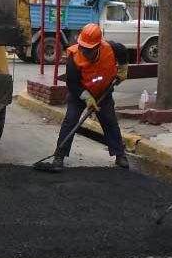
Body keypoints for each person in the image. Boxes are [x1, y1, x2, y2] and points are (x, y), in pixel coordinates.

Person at [53, 23, 130, 169]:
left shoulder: (111, 48)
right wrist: (87, 97)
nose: (85, 51)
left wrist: (123, 69)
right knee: (70, 120)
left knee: (110, 121)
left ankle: (120, 155)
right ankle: (59, 155)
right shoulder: (74, 58)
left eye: (88, 49)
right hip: (80, 94)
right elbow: (73, 84)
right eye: (83, 47)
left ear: (98, 46)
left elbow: (123, 53)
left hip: (103, 92)